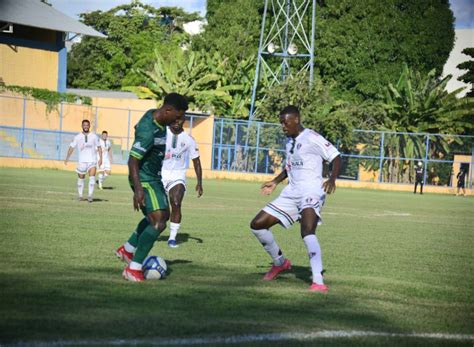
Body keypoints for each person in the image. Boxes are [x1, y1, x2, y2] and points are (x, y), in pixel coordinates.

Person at [249, 105, 341, 293]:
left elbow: (335, 156)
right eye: (281, 122)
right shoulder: (290, 142)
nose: (282, 126)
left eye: (285, 122)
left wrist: (332, 178)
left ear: (296, 120)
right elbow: (290, 167)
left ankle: (318, 281)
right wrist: (275, 181)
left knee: (307, 231)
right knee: (257, 224)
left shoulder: (312, 137)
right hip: (291, 192)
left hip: (311, 192)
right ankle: (280, 263)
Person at [115, 93, 188, 282]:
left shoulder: (156, 118)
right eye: (178, 116)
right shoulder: (149, 130)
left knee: (159, 216)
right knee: (159, 221)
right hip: (144, 178)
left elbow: (137, 126)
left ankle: (128, 249)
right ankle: (134, 269)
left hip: (153, 177)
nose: (179, 121)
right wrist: (138, 189)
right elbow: (132, 161)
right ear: (167, 110)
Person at [162, 118, 203, 248]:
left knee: (176, 202)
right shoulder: (162, 133)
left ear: (183, 121)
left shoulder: (189, 140)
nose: (176, 122)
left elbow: (196, 161)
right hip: (160, 174)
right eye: (173, 120)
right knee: (160, 211)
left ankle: (172, 238)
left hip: (178, 175)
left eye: (179, 120)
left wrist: (199, 182)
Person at [64, 120, 102, 203]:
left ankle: (90, 196)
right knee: (81, 179)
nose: (86, 126)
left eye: (87, 125)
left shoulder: (94, 136)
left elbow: (99, 147)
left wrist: (100, 159)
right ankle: (80, 196)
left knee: (92, 178)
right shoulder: (77, 137)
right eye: (84, 125)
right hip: (82, 162)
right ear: (82, 126)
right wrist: (67, 157)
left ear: (89, 126)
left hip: (92, 161)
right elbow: (71, 147)